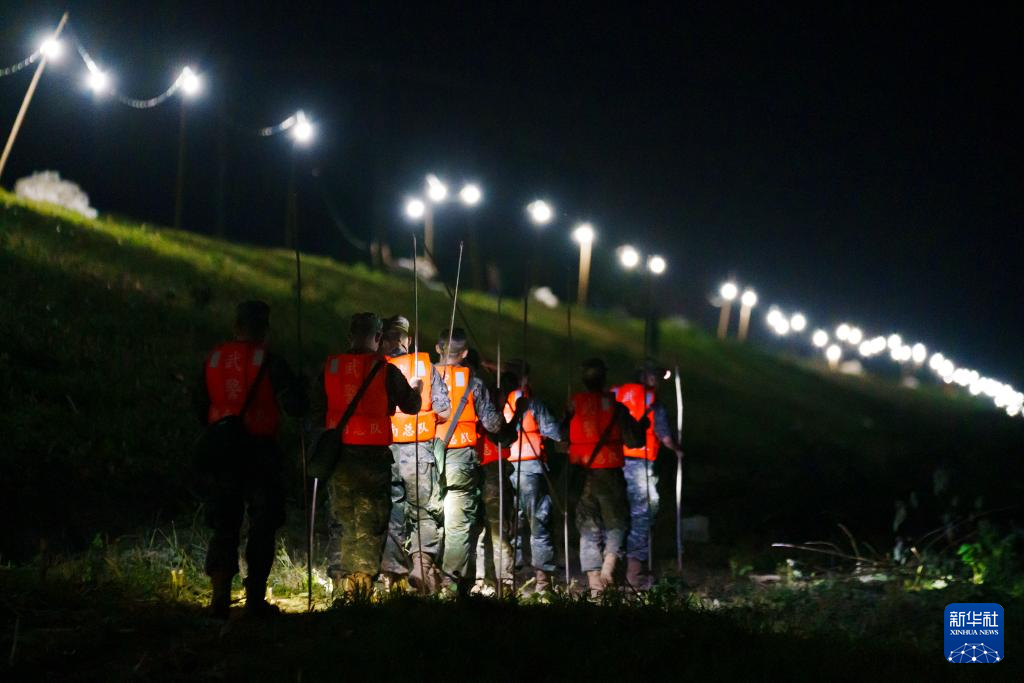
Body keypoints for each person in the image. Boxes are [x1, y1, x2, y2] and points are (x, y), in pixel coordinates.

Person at [193, 300, 307, 618]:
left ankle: (219, 598)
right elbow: (294, 407)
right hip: (260, 452)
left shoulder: (214, 359)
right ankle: (255, 598)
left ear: (236, 326)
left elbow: (199, 403)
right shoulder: (270, 362)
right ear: (265, 330)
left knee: (224, 521)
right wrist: (300, 389)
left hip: (223, 448)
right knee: (263, 522)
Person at [309, 312, 422, 598]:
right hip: (372, 458)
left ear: (350, 335)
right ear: (378, 337)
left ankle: (340, 584)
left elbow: (314, 406)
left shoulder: (330, 367)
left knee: (342, 519)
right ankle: (360, 589)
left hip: (339, 456)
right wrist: (417, 390)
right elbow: (411, 406)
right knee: (370, 523)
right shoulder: (385, 370)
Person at [379, 315, 451, 593]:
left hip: (386, 448)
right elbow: (444, 410)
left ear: (383, 339)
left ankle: (392, 575)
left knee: (393, 511)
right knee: (423, 511)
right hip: (419, 449)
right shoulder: (424, 365)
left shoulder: (378, 367)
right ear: (406, 340)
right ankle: (421, 565)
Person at [434, 328, 510, 595]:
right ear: (465, 354)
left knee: (427, 518)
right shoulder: (473, 383)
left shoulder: (423, 374)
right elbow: (493, 424)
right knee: (456, 522)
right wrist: (499, 404)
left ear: (437, 348)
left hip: (423, 456)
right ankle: (450, 582)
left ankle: (419, 570)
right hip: (460, 459)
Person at [566, 358, 648, 596]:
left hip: (582, 475)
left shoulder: (573, 406)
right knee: (616, 523)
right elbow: (635, 440)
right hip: (609, 474)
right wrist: (641, 426)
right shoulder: (616, 407)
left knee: (587, 527)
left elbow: (562, 437)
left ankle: (594, 584)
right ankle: (609, 565)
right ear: (604, 379)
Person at [613, 363, 684, 590]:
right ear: (646, 377)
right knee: (644, 512)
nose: (659, 381)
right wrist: (678, 449)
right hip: (639, 464)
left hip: (612, 462)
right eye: (656, 376)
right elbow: (664, 435)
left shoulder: (618, 393)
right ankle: (635, 572)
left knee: (615, 514)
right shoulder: (653, 402)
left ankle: (610, 567)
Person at [503, 361, 564, 594]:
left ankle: (512, 576)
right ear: (525, 378)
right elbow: (555, 433)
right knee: (538, 521)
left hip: (506, 468)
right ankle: (542, 581)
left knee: (511, 523)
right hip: (530, 469)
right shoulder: (533, 403)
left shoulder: (500, 401)